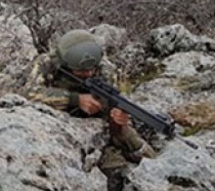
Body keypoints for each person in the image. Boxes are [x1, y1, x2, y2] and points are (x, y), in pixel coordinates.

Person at [25, 29, 156, 163]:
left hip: (94, 125)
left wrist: (117, 122)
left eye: (92, 69)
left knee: (137, 147)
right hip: (53, 122)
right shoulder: (47, 63)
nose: (88, 73)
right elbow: (30, 93)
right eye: (81, 71)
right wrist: (76, 100)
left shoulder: (105, 69)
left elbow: (109, 108)